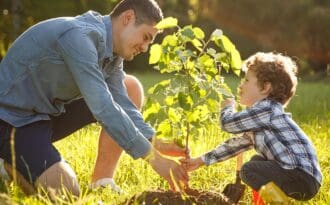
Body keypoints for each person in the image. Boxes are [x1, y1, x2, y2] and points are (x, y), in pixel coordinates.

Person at [0, 0, 188, 196]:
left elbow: (123, 103)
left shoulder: (113, 54)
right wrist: (155, 159)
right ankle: (12, 163)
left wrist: (156, 142)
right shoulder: (79, 37)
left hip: (44, 114)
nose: (145, 48)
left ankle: (102, 182)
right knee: (67, 192)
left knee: (129, 87)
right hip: (11, 120)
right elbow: (104, 107)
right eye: (146, 37)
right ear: (128, 18)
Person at [182, 52, 322, 202]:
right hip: (302, 176)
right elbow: (235, 146)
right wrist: (201, 160)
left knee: (249, 170)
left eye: (247, 80)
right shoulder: (262, 119)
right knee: (257, 162)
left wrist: (227, 108)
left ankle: (280, 203)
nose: (241, 85)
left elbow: (227, 123)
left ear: (265, 87)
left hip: (300, 175)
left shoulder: (267, 109)